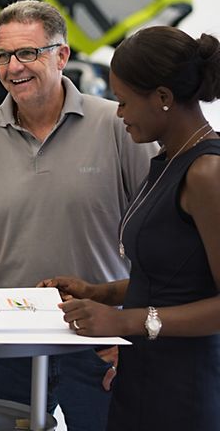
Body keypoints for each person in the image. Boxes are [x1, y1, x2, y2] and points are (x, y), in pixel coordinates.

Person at [0, 0, 155, 431]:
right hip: (7, 343)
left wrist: (134, 330)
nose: (14, 67)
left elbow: (157, 239)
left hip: (96, 339)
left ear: (62, 55)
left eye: (28, 53)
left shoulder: (117, 126)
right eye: (3, 56)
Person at [41, 26, 220, 431]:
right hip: (140, 373)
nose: (119, 114)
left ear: (162, 98)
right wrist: (99, 292)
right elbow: (173, 275)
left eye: (124, 102)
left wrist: (124, 321)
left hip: (185, 388)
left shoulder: (208, 171)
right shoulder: (166, 160)